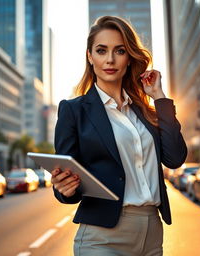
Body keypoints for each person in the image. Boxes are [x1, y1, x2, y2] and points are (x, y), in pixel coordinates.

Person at [51, 16, 187, 256]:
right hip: (102, 236)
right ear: (90, 56)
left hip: (152, 234)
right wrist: (64, 188)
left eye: (120, 50)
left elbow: (175, 158)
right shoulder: (73, 110)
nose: (110, 59)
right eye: (101, 51)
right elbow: (66, 175)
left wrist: (159, 97)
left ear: (129, 58)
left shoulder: (145, 112)